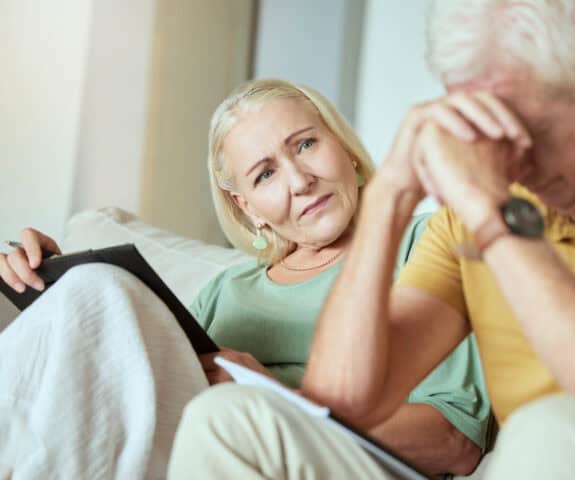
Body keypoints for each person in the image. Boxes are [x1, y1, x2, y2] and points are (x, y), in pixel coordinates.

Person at [168, 1, 575, 479]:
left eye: (526, 125)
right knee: (229, 421)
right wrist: (390, 196)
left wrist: (496, 214)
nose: (509, 158)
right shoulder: (466, 219)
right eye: (483, 124)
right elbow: (343, 400)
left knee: (557, 427)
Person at [0, 79, 491, 479]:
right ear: (248, 208)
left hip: (339, 462)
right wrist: (57, 292)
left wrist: (276, 399)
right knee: (91, 291)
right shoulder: (227, 294)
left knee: (100, 289)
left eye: (306, 144)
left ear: (343, 147)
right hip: (189, 460)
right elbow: (129, 391)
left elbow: (455, 443)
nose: (300, 181)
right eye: (264, 175)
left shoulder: (427, 245)